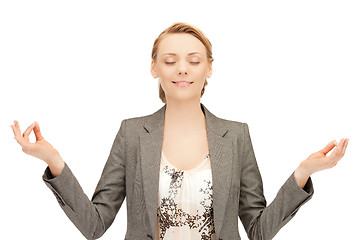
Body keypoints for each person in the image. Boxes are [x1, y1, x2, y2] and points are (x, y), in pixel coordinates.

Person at [11, 22, 349, 240]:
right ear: (154, 68)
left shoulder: (236, 136)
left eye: (194, 60)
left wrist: (303, 173)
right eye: (170, 61)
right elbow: (94, 224)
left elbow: (258, 231)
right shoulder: (132, 134)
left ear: (209, 69)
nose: (182, 69)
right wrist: (53, 161)